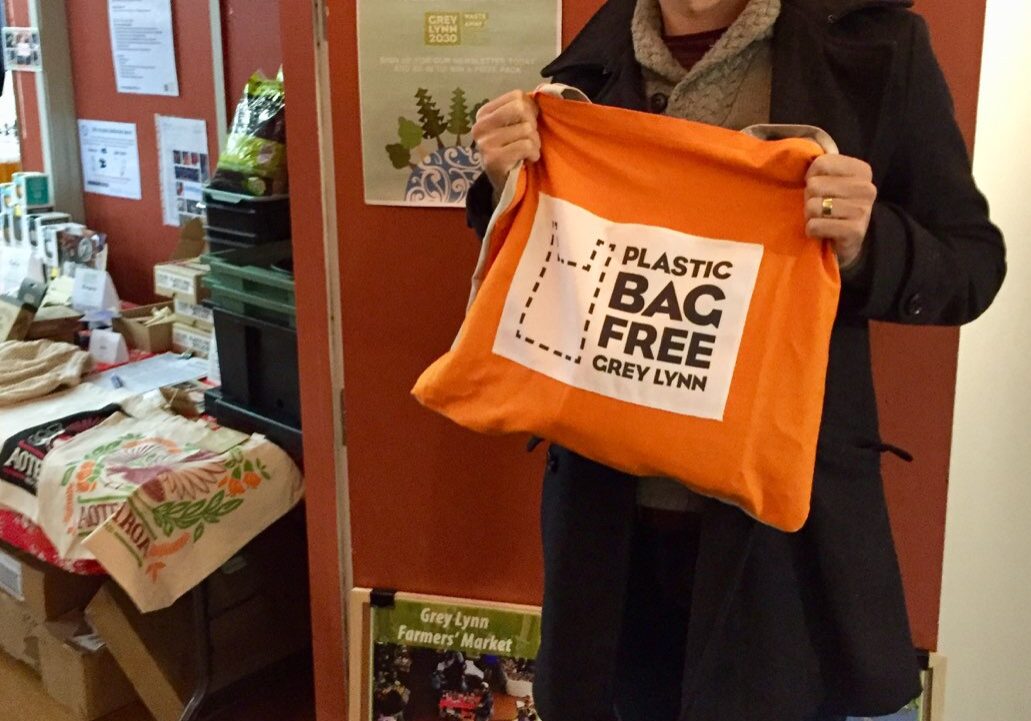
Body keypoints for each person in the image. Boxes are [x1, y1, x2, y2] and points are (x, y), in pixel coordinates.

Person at [465, 1, 1006, 720]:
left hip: (780, 529)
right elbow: (555, 245)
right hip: (610, 523)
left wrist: (868, 241)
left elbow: (970, 265)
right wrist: (502, 182)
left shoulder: (873, 47)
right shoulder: (590, 59)